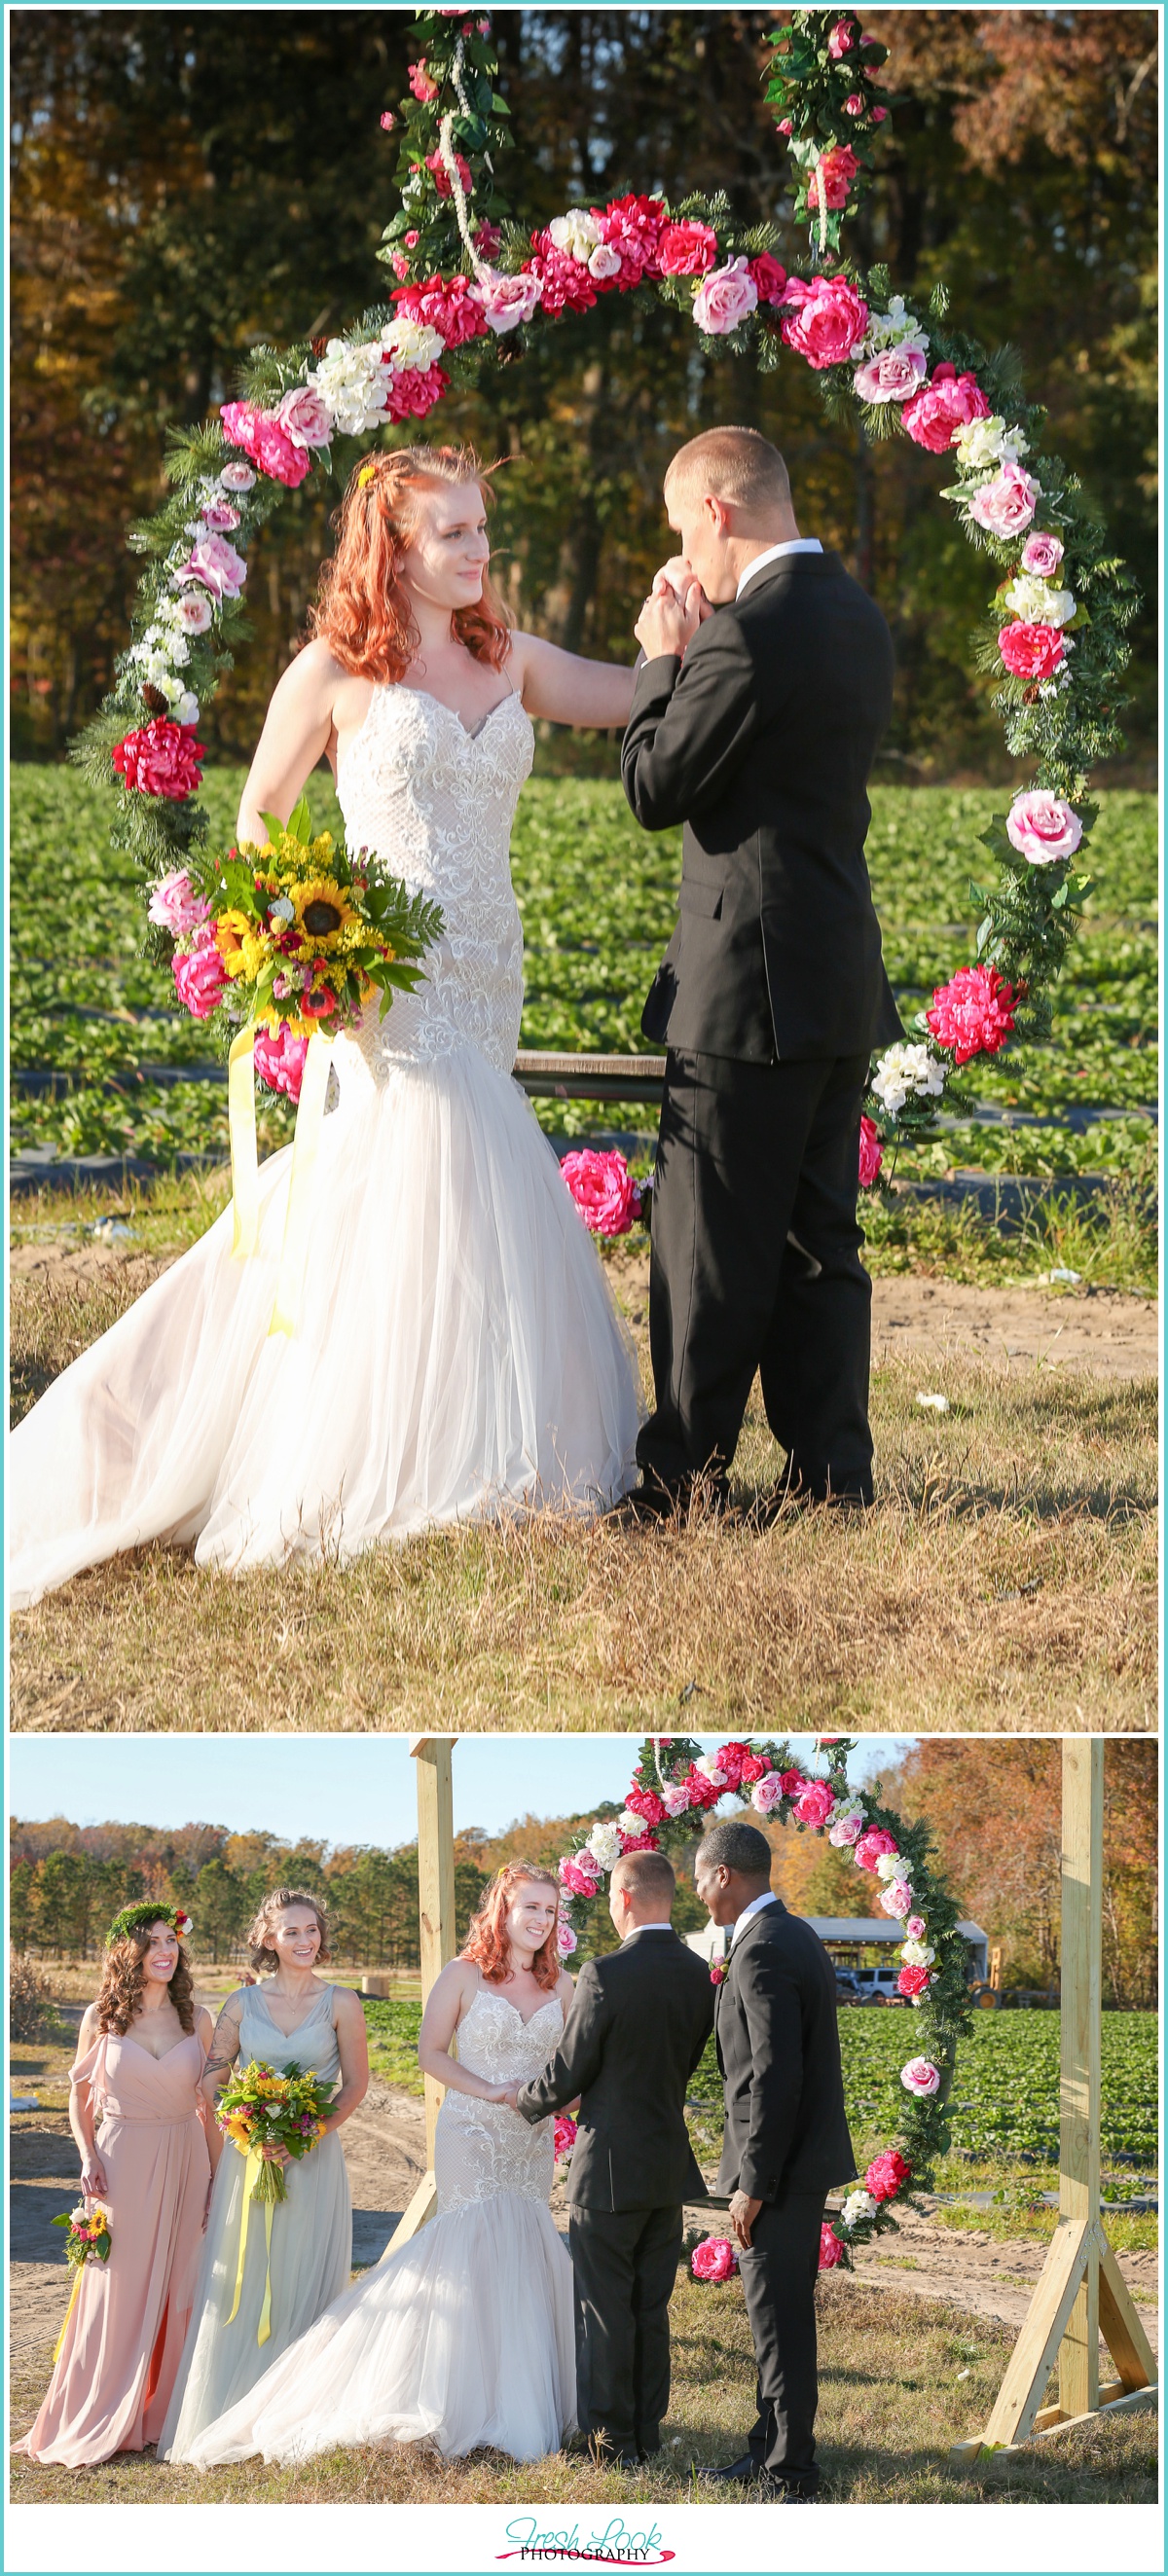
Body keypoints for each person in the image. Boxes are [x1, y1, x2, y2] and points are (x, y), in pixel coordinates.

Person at [8, 445, 641, 1608]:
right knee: (407, 1175)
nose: (478, 550)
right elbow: (261, 812)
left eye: (481, 529)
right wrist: (309, 950)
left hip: (487, 972)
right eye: (452, 533)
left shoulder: (513, 661)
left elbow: (634, 695)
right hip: (382, 987)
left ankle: (468, 1435)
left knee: (463, 1199)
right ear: (392, 548)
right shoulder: (335, 673)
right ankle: (346, 1449)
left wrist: (678, 630)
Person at [618, 423, 901, 1518]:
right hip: (835, 973)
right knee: (819, 1239)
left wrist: (661, 657)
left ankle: (677, 1479)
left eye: (684, 530)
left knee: (708, 1242)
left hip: (748, 985)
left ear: (721, 511)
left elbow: (655, 785)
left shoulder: (747, 634)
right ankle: (834, 1476)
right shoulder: (854, 613)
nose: (684, 559)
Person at [178, 1865, 577, 2468]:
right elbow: (430, 2054)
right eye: (529, 1908)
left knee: (524, 2244)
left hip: (531, 2140)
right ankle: (448, 2390)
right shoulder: (463, 1975)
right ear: (503, 1910)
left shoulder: (565, 1987)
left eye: (550, 1911)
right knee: (470, 2243)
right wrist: (491, 2091)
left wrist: (560, 2101)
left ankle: (510, 2393)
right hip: (472, 2129)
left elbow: (575, 2071)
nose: (539, 1921)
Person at [511, 1848, 714, 2469]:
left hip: (605, 2170)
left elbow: (574, 2065)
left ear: (623, 1897)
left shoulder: (605, 1973)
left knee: (602, 2308)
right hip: (665, 2168)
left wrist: (523, 2102)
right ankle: (647, 2432)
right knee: (651, 2308)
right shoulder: (701, 1972)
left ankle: (609, 2444)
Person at [160, 1887, 368, 2461]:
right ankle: (233, 2402)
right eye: (292, 1931)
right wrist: (247, 2130)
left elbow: (354, 2086)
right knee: (246, 2276)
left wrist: (306, 2136)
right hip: (248, 2163)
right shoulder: (238, 2006)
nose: (306, 1940)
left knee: (303, 2272)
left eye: (312, 1930)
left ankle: (299, 2407)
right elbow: (213, 2076)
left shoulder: (342, 2003)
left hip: (312, 2160)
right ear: (268, 1939)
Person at [693, 1818, 856, 2501]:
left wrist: (753, 2184)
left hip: (779, 2173)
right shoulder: (789, 1934)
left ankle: (794, 2472)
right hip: (797, 2163)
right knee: (774, 2315)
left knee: (782, 2322)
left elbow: (774, 2077)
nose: (698, 1890)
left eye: (700, 1877)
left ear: (724, 1874)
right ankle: (765, 2449)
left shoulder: (761, 1950)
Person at [17, 1905, 213, 2467]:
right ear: (127, 1953)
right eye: (152, 1942)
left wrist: (216, 2176)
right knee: (117, 2282)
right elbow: (79, 2101)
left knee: (184, 2278)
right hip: (120, 2156)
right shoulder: (101, 2018)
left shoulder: (198, 2018)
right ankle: (104, 2404)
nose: (165, 1951)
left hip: (187, 2155)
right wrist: (87, 2157)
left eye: (171, 1940)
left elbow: (211, 2105)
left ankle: (164, 2410)